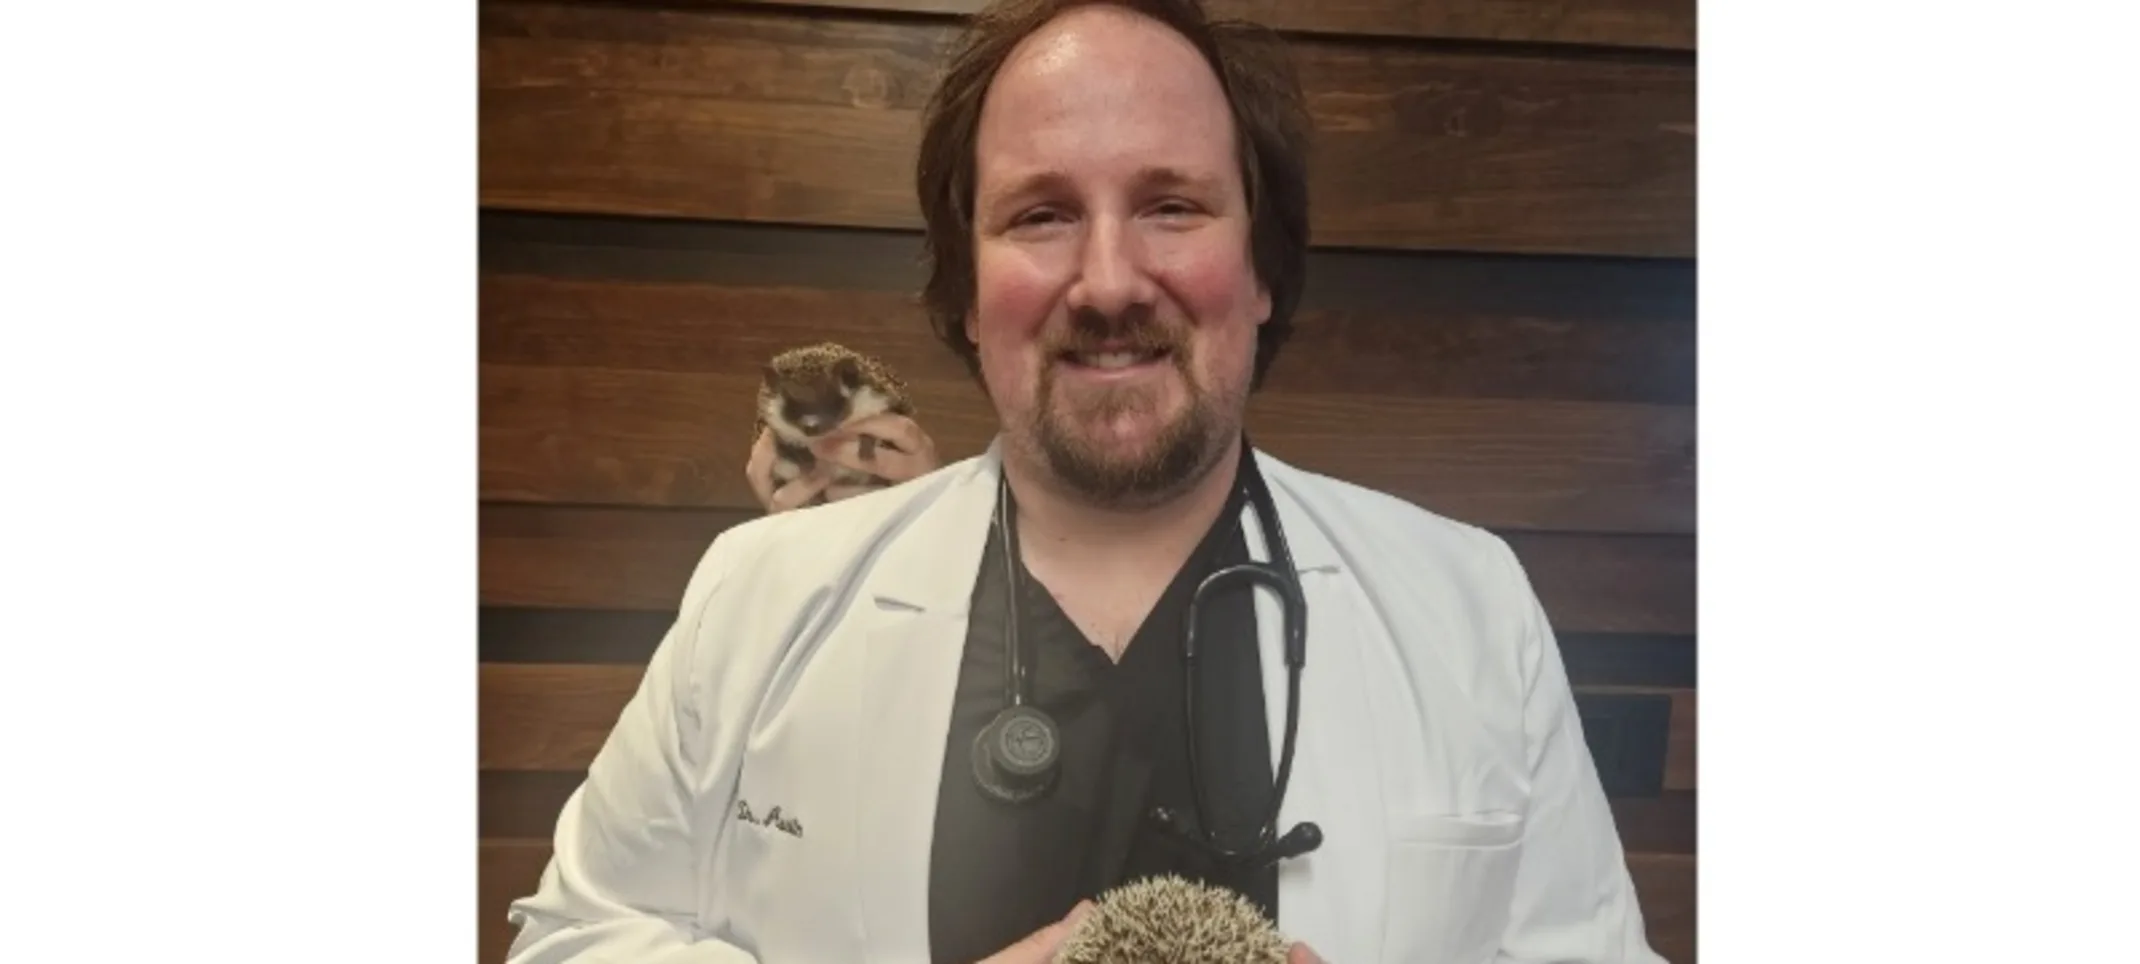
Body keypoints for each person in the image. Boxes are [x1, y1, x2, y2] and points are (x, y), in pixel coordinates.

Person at [503, 0, 1669, 961]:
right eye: (1041, 214)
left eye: (1171, 205)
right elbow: (572, 937)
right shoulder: (757, 596)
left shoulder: (1468, 603)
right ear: (967, 291)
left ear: (1261, 266)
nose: (1109, 279)